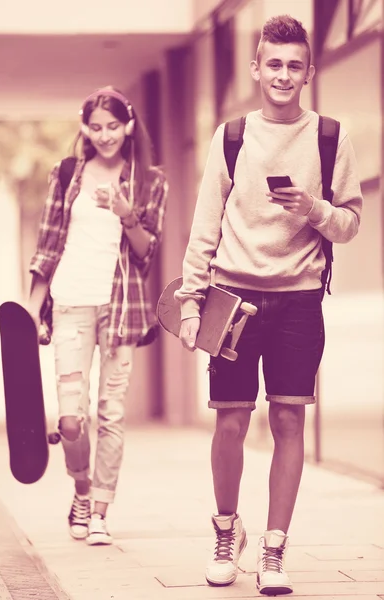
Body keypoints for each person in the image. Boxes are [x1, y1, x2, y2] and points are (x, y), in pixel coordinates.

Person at [175, 15, 362, 596]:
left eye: (293, 65)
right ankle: (226, 534)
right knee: (230, 422)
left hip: (300, 301)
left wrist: (313, 208)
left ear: (308, 72)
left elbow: (350, 224)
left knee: (287, 420)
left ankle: (276, 551)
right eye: (273, 63)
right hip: (231, 299)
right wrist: (188, 302)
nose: (283, 74)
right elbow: (205, 227)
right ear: (257, 68)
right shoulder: (231, 137)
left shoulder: (332, 136)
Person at [28, 86, 168, 545]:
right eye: (96, 127)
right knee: (71, 418)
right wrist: (33, 307)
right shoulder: (67, 173)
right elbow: (48, 242)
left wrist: (128, 214)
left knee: (110, 412)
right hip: (69, 303)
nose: (105, 136)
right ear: (85, 129)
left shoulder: (149, 181)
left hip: (120, 310)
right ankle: (81, 490)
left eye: (113, 126)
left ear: (128, 126)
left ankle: (101, 512)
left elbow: (147, 254)